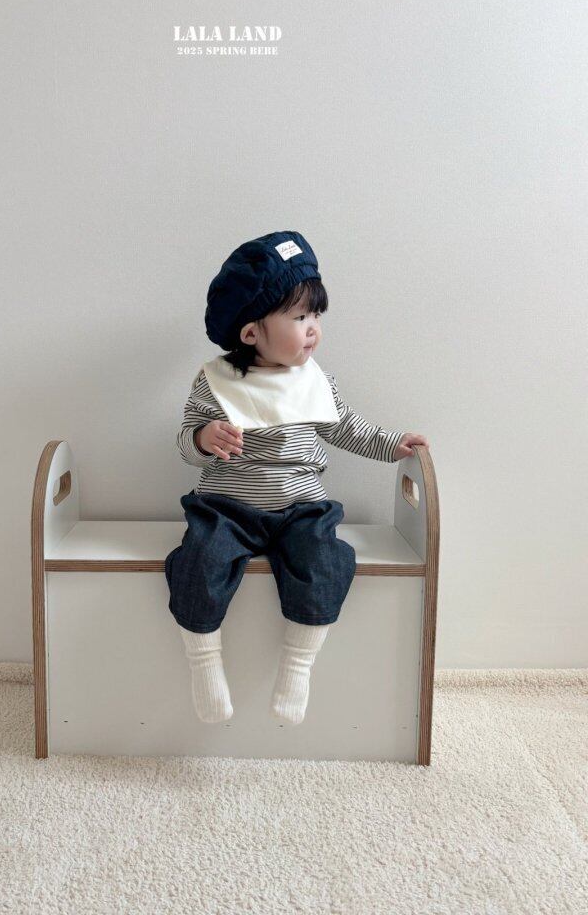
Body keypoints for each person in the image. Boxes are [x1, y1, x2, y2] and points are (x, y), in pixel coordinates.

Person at [164, 231, 429, 726]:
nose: (314, 330)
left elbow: (345, 427)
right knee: (197, 563)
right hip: (227, 508)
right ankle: (204, 662)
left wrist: (392, 445)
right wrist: (203, 438)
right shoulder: (215, 382)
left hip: (300, 508)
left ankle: (298, 664)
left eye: (316, 316)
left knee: (326, 562)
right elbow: (184, 444)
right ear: (250, 333)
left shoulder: (314, 380)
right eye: (300, 317)